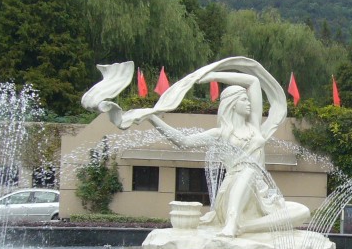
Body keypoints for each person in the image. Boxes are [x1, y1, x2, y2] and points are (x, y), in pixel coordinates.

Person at [82, 56, 309, 238]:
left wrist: (212, 75)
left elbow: (253, 81)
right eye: (243, 100)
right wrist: (153, 118)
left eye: (248, 99)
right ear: (231, 105)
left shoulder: (254, 128)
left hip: (258, 197)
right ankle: (231, 223)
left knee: (302, 212)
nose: (249, 103)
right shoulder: (220, 134)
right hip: (232, 192)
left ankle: (243, 227)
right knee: (248, 169)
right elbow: (183, 141)